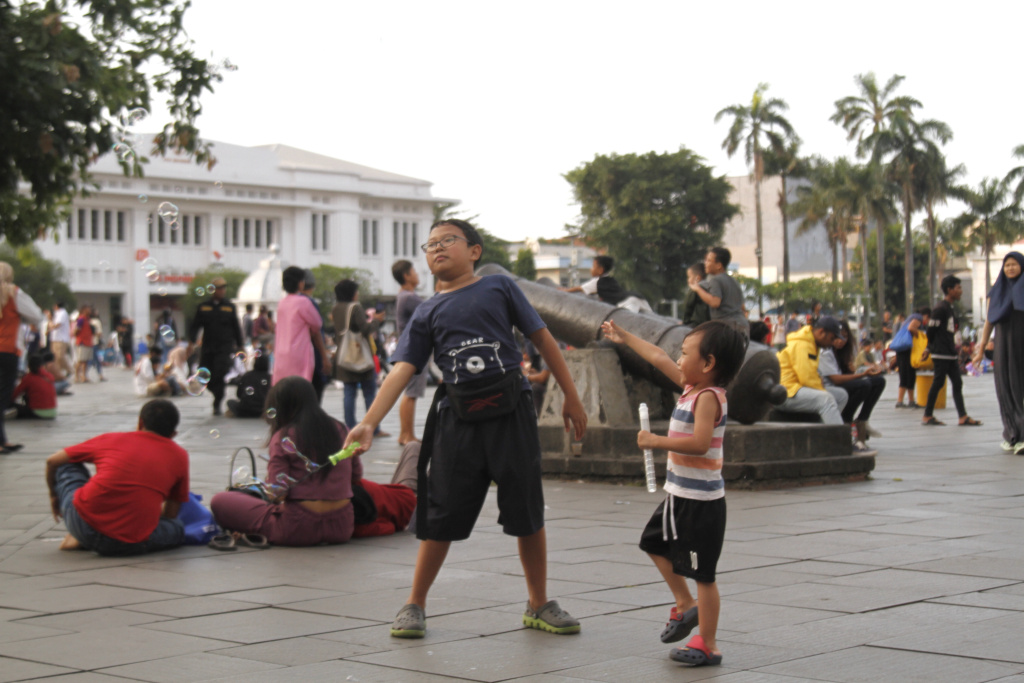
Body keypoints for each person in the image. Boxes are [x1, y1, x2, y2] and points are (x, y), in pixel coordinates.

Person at [343, 218, 588, 640]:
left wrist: (571, 394)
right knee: (441, 513)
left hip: (511, 413)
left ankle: (538, 602)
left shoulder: (499, 287)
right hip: (458, 420)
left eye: (448, 241)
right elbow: (403, 369)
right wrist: (368, 422)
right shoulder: (426, 311)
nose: (437, 248)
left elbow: (544, 339)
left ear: (474, 251)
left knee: (526, 510)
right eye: (430, 244)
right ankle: (414, 603)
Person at [601, 319, 746, 668]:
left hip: (702, 503)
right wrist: (624, 337)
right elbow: (655, 356)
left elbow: (698, 443)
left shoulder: (709, 397)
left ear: (708, 364)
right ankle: (685, 604)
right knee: (653, 543)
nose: (678, 360)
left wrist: (655, 440)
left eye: (685, 354)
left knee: (704, 575)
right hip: (679, 494)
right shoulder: (689, 386)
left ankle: (707, 643)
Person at [211, 376, 362, 546]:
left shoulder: (284, 436)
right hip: (341, 527)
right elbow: (356, 475)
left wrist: (268, 486)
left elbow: (278, 493)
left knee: (220, 501)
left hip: (297, 528)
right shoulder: (341, 428)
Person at [45, 399, 188, 554]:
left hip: (83, 525)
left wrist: (54, 496)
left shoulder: (111, 439)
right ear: (173, 434)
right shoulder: (180, 456)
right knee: (177, 527)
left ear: (140, 423)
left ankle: (79, 537)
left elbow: (52, 461)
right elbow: (171, 513)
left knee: (66, 463)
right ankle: (86, 539)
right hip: (133, 543)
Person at [973, 253, 1024, 453]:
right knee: (1005, 387)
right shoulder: (997, 291)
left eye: (1014, 265)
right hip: (1003, 344)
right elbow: (989, 321)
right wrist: (981, 347)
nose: (1010, 268)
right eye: (1007, 265)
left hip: (1022, 343)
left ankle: (1022, 435)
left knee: (1019, 387)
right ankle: (1012, 434)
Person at [332, 279, 389, 437]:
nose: (357, 293)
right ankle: (374, 428)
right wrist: (377, 321)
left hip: (344, 357)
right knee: (369, 392)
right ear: (351, 292)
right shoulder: (355, 307)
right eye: (356, 291)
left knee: (349, 392)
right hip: (360, 356)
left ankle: (350, 427)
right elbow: (365, 329)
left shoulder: (336, 308)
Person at [923, 275, 981, 427]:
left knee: (957, 382)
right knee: (938, 382)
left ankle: (962, 417)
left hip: (950, 353)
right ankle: (927, 416)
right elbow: (931, 331)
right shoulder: (940, 309)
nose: (961, 291)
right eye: (958, 288)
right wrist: (928, 348)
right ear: (949, 290)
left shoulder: (949, 308)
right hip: (941, 353)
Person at [817, 320, 884, 452]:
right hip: (829, 386)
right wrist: (861, 374)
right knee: (863, 385)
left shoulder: (844, 352)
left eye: (845, 337)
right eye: (838, 337)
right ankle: (846, 420)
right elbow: (836, 380)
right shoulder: (826, 351)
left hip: (840, 384)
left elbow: (846, 376)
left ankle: (863, 420)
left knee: (879, 381)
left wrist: (855, 370)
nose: (841, 340)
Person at [0, 262, 43, 453]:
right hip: (8, 350)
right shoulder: (13, 293)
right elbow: (36, 315)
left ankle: (3, 439)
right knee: (2, 396)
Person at [187, 277, 244, 416]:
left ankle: (217, 402)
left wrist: (240, 345)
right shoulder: (204, 307)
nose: (222, 291)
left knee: (220, 374)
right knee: (206, 377)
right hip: (208, 348)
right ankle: (215, 394)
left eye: (223, 288)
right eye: (219, 288)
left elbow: (236, 328)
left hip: (224, 349)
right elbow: (195, 326)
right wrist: (191, 342)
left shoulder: (229, 307)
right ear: (212, 290)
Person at [775, 316, 848, 424]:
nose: (832, 343)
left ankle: (822, 430)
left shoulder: (811, 343)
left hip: (797, 388)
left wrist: (820, 384)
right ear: (821, 332)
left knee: (841, 395)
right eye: (832, 338)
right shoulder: (803, 345)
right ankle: (838, 439)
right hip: (786, 392)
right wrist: (821, 386)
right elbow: (806, 378)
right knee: (826, 399)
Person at [272, 266, 331, 387]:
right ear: (300, 283)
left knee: (285, 389)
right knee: (301, 389)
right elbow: (317, 325)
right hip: (298, 354)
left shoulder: (282, 303)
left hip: (281, 354)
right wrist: (324, 357)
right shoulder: (304, 302)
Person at [392, 259, 428, 445]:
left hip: (408, 348)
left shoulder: (403, 296)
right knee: (411, 393)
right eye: (413, 271)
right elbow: (430, 312)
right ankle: (407, 435)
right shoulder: (409, 297)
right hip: (413, 349)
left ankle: (405, 434)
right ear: (406, 275)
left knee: (410, 392)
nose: (416, 274)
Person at [694, 248, 749, 336]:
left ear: (718, 265)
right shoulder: (734, 281)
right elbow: (742, 307)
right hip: (742, 325)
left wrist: (697, 288)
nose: (705, 263)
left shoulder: (716, 280)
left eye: (708, 260)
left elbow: (715, 302)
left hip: (726, 327)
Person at [894, 308, 929, 408]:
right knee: (906, 375)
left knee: (910, 375)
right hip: (906, 350)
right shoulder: (918, 318)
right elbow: (911, 328)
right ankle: (900, 401)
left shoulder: (909, 318)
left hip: (904, 350)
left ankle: (911, 401)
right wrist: (921, 335)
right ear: (926, 315)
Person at [12, 354, 57, 419]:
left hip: (37, 412)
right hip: (52, 412)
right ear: (42, 365)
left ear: (29, 366)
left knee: (11, 404)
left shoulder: (28, 378)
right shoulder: (49, 376)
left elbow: (15, 394)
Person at [50, 301, 73, 381]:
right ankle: (58, 373)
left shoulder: (62, 313)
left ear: (56, 305)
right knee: (56, 358)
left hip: (61, 339)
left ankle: (69, 370)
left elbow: (58, 324)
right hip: (55, 338)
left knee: (60, 356)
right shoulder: (57, 313)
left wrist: (50, 325)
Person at [74, 304, 93, 383]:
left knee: (85, 361)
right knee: (80, 360)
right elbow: (77, 329)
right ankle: (76, 375)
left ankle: (84, 376)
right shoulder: (81, 319)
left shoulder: (87, 319)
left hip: (88, 342)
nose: (90, 311)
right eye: (88, 309)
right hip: (82, 342)